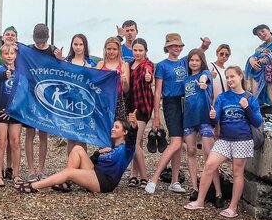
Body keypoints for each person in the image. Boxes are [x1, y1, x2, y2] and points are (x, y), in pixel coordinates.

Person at [185, 65, 263, 218]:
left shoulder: (250, 98)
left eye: (232, 76)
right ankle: (200, 201)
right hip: (224, 139)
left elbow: (257, 121)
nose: (229, 80)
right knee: (209, 165)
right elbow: (215, 122)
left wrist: (247, 108)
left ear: (240, 76)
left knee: (237, 172)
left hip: (243, 140)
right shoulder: (222, 97)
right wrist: (213, 116)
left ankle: (232, 208)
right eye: (227, 77)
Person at [18, 120, 134, 194]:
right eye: (113, 126)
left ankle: (34, 186)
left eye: (117, 127)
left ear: (125, 132)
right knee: (77, 148)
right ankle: (66, 182)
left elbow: (132, 140)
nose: (113, 128)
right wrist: (98, 154)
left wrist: (134, 127)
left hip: (104, 183)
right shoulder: (111, 146)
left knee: (70, 172)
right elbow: (93, 162)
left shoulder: (126, 150)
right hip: (94, 174)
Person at [145, 33, 189, 194]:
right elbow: (158, 92)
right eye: (174, 45)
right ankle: (154, 178)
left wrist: (205, 45)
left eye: (179, 46)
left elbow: (199, 53)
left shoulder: (184, 62)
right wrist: (156, 116)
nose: (177, 48)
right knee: (176, 142)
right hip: (171, 103)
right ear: (167, 47)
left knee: (179, 143)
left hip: (185, 102)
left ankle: (174, 180)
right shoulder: (162, 66)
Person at [23, 23, 61, 182]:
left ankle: (41, 169)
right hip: (31, 95)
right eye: (37, 41)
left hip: (47, 97)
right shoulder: (28, 49)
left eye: (42, 41)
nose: (39, 44)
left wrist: (60, 60)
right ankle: (31, 169)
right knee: (30, 133)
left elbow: (62, 72)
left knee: (43, 133)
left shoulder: (53, 51)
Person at [182, 49, 215, 197]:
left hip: (204, 119)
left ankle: (210, 187)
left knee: (208, 154)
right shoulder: (187, 80)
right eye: (191, 60)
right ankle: (195, 187)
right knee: (191, 151)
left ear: (202, 62)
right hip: (189, 119)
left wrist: (202, 83)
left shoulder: (206, 74)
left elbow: (204, 78)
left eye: (197, 60)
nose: (194, 63)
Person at [0, 42, 21, 185]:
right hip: (0, 111)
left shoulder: (21, 71)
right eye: (6, 53)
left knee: (15, 141)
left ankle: (16, 174)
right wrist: (6, 74)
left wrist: (13, 109)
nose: (9, 56)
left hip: (15, 111)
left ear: (16, 55)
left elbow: (23, 93)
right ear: (1, 56)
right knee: (1, 141)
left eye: (12, 53)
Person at [126, 38, 154, 187]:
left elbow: (149, 76)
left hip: (142, 106)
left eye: (140, 50)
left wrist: (149, 78)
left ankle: (143, 176)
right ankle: (133, 174)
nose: (138, 53)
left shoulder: (147, 65)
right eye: (135, 50)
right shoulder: (129, 65)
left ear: (145, 51)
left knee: (135, 141)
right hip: (131, 105)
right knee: (137, 141)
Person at [244, 25, 272, 106]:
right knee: (260, 105)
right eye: (259, 34)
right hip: (259, 78)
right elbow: (253, 57)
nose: (261, 35)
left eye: (263, 31)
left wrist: (258, 60)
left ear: (269, 30)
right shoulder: (260, 48)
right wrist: (251, 60)